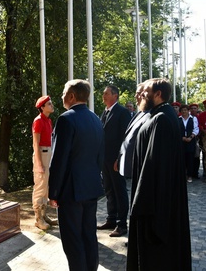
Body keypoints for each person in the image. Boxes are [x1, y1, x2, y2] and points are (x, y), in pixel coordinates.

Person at [127, 78, 191, 271]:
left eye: (144, 91)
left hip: (154, 206)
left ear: (158, 94)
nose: (140, 95)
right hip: (155, 200)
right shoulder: (157, 115)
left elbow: (155, 166)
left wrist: (140, 204)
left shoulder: (162, 119)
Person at [49, 79, 104, 271]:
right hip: (91, 187)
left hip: (71, 191)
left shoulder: (66, 119)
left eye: (64, 92)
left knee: (73, 241)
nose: (62, 96)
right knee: (89, 235)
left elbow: (59, 160)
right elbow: (100, 156)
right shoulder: (96, 119)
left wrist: (53, 192)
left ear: (72, 96)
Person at [98, 86, 131, 238]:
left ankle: (122, 224)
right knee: (109, 189)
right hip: (104, 159)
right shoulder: (105, 111)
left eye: (106, 93)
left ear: (115, 96)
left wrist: (120, 158)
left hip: (116, 160)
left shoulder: (123, 113)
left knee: (119, 190)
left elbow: (126, 139)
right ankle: (111, 219)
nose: (103, 96)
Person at [31, 95, 57, 230]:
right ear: (42, 107)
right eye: (49, 104)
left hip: (48, 153)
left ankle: (44, 215)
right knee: (40, 186)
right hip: (41, 154)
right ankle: (38, 219)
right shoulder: (38, 121)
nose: (52, 106)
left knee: (46, 186)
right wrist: (39, 163)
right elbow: (36, 143)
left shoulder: (48, 120)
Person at [116, 82, 150, 179]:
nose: (136, 96)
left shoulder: (151, 116)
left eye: (139, 93)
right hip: (132, 167)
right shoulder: (139, 114)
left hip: (142, 168)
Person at [179, 104, 199, 183]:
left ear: (188, 111)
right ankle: (182, 174)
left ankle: (189, 175)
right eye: (182, 110)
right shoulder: (178, 119)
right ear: (180, 112)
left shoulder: (193, 119)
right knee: (182, 158)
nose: (184, 111)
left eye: (186, 110)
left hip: (191, 141)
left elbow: (196, 129)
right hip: (181, 141)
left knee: (190, 158)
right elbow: (177, 130)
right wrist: (182, 137)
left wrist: (191, 137)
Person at [189, 103, 202, 179]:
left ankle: (195, 172)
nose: (193, 110)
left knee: (197, 156)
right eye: (192, 108)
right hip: (190, 139)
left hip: (198, 139)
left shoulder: (200, 117)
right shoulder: (188, 117)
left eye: (195, 108)